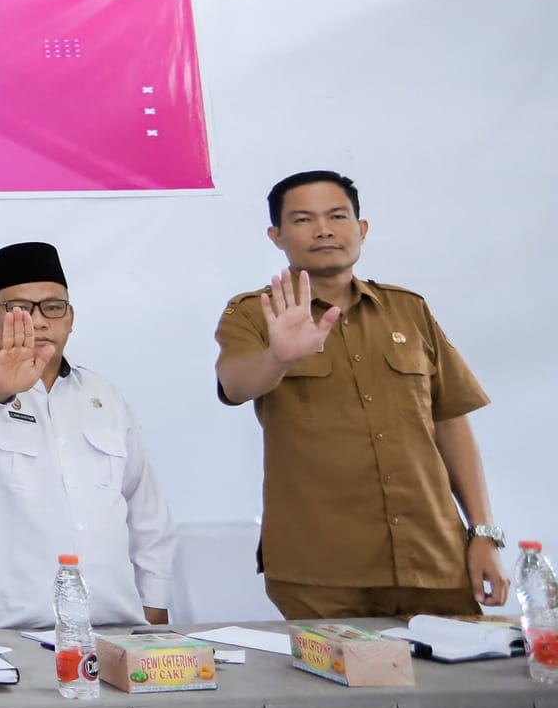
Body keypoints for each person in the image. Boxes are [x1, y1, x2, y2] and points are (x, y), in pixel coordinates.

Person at [215, 170, 509, 619]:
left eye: (338, 215)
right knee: (342, 688)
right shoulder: (257, 313)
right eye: (303, 219)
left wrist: (483, 532)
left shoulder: (408, 309)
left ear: (362, 228)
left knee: (460, 686)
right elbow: (235, 384)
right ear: (276, 235)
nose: (324, 229)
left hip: (436, 559)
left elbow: (449, 420)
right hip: (321, 569)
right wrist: (280, 357)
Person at [0, 242, 177, 630]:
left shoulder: (104, 396)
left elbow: (146, 512)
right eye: (19, 309)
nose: (39, 321)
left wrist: (155, 604)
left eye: (52, 307)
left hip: (111, 629)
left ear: (70, 316)